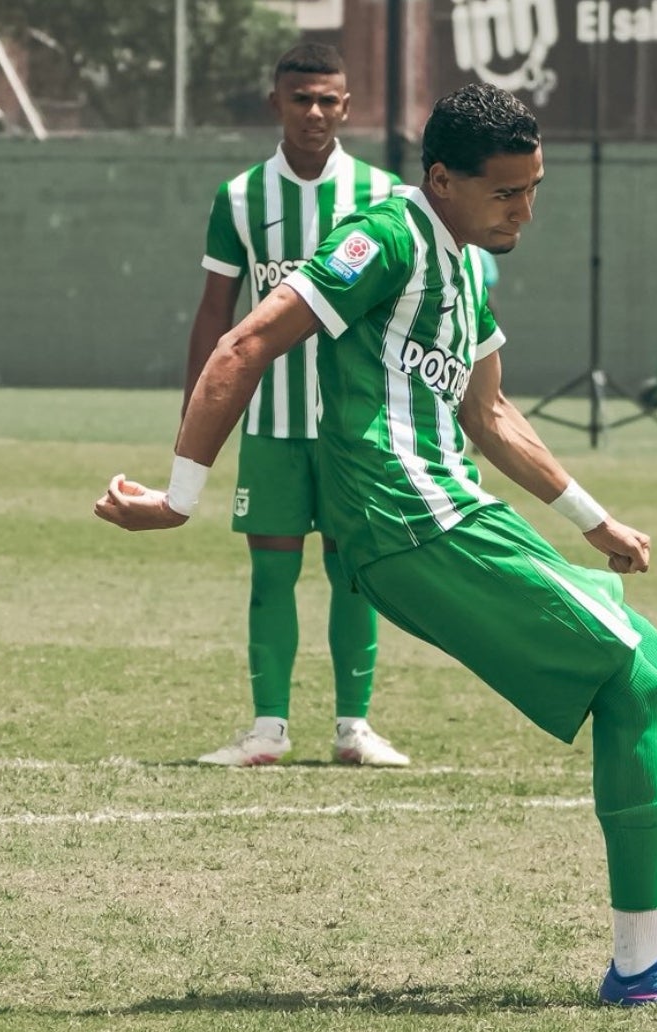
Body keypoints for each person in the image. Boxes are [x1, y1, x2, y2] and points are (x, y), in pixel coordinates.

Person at [97, 83, 657, 1009]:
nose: (525, 211)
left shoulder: (470, 264)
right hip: (407, 520)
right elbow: (243, 345)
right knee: (630, 677)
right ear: (442, 179)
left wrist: (591, 518)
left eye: (534, 189)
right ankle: (644, 963)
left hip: (449, 514)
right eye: (505, 193)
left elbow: (490, 412)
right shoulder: (383, 238)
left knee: (652, 664)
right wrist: (179, 498)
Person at [188, 43, 407, 768]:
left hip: (356, 426)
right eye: (300, 98)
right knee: (271, 575)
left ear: (347, 106)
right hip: (272, 424)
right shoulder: (240, 197)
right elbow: (216, 312)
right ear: (276, 103)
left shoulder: (385, 195)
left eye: (327, 100)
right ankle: (268, 730)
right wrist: (196, 416)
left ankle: (353, 728)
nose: (314, 112)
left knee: (355, 575)